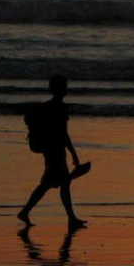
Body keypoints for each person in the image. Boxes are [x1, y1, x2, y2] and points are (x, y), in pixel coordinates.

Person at [17, 75, 87, 229]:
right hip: (56, 150)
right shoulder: (60, 108)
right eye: (64, 86)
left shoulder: (48, 106)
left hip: (51, 149)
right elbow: (64, 134)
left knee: (49, 184)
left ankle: (25, 211)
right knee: (61, 183)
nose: (66, 89)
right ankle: (71, 219)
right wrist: (74, 154)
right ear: (60, 89)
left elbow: (60, 133)